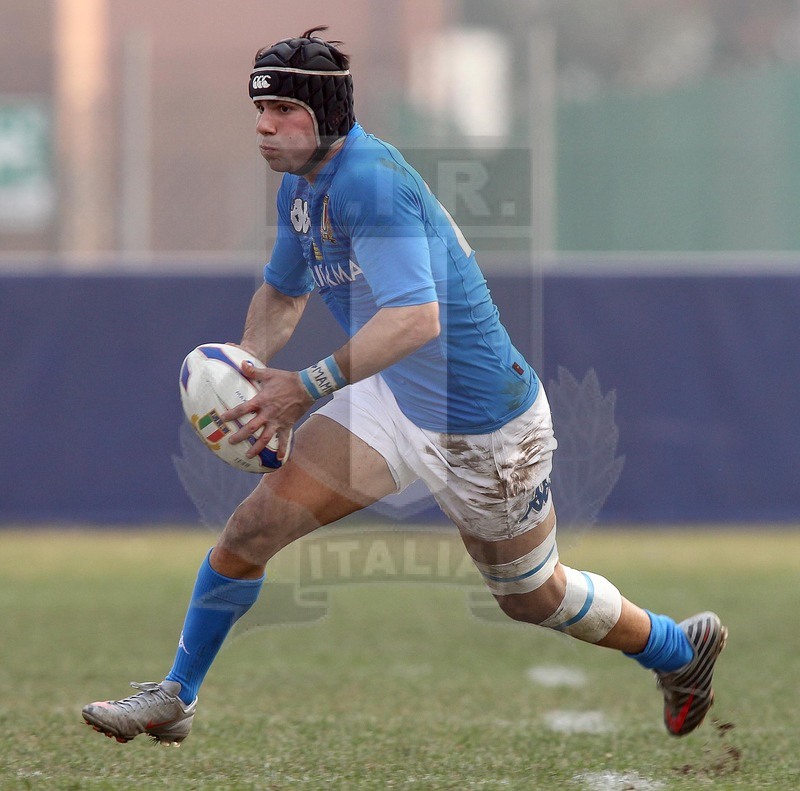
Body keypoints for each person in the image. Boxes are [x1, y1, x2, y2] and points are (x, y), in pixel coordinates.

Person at [82, 27, 726, 746]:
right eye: (259, 109)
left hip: (484, 426)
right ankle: (177, 693)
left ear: (326, 113)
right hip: (395, 400)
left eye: (285, 110)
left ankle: (677, 648)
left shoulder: (369, 182)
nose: (264, 125)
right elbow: (283, 293)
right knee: (252, 529)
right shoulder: (303, 185)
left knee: (529, 594)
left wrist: (306, 386)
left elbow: (417, 320)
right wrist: (247, 370)